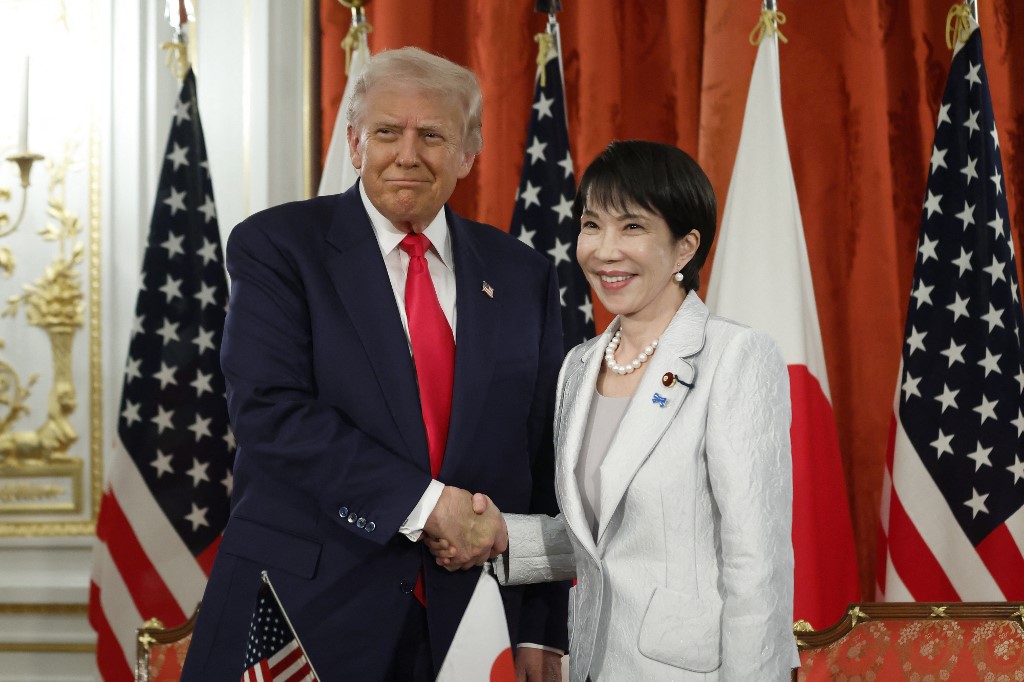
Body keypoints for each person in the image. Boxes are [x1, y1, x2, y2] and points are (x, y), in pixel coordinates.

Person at [182, 47, 568, 681]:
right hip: (299, 615)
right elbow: (270, 415)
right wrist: (425, 505)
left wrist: (542, 630)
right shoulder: (278, 248)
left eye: (433, 135)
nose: (407, 154)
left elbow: (542, 462)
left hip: (471, 623)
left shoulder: (522, 275)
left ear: (468, 154)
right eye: (388, 132)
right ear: (356, 143)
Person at [430, 140, 798, 680]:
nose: (603, 250)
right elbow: (603, 541)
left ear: (684, 249)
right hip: (595, 664)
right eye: (591, 225)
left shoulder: (734, 357)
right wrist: (502, 536)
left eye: (632, 227)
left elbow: (757, 562)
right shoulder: (580, 367)